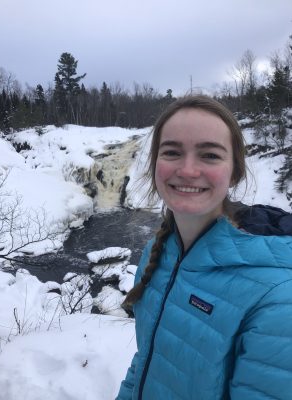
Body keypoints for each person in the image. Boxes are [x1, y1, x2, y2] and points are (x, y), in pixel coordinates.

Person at [116, 95, 292, 400]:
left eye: (209, 155)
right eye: (171, 152)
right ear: (154, 163)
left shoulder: (278, 298)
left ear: (234, 171)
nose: (187, 170)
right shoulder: (155, 258)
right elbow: (147, 361)